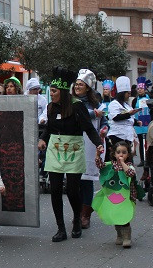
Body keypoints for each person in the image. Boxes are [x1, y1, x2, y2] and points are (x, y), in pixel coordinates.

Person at [38, 67, 104, 242]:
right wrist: (43, 139)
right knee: (55, 189)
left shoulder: (77, 106)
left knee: (74, 190)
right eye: (51, 91)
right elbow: (49, 128)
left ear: (62, 91)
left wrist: (98, 144)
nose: (51, 94)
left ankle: (76, 219)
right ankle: (60, 228)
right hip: (55, 151)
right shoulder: (51, 107)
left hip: (73, 150)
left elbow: (88, 128)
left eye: (53, 91)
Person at [72, 69, 106, 230]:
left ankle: (85, 214)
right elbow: (76, 116)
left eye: (81, 84)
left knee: (86, 180)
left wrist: (105, 128)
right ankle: (76, 212)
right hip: (72, 143)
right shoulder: (70, 102)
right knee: (73, 180)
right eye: (76, 84)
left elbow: (105, 121)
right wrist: (94, 114)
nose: (77, 87)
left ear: (87, 88)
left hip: (90, 144)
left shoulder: (95, 103)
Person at [93, 140, 137, 248]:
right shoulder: (110, 165)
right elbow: (100, 166)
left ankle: (127, 237)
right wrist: (98, 154)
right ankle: (119, 234)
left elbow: (130, 173)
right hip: (114, 195)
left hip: (126, 196)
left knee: (124, 215)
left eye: (124, 152)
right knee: (116, 214)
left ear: (128, 154)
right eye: (118, 152)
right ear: (114, 154)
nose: (121, 154)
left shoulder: (129, 165)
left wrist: (122, 163)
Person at [107, 76, 140, 156]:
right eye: (128, 93)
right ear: (122, 93)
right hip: (117, 136)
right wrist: (129, 114)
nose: (129, 95)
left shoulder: (126, 105)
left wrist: (136, 122)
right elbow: (116, 117)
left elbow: (128, 119)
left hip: (127, 136)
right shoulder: (114, 104)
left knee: (128, 159)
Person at [132, 78, 152, 167]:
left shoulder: (150, 98)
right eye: (138, 89)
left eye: (141, 89)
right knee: (140, 141)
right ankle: (142, 159)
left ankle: (149, 159)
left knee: (148, 142)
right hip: (139, 123)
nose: (140, 90)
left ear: (145, 89)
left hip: (148, 122)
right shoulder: (135, 100)